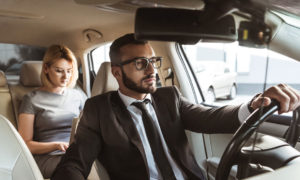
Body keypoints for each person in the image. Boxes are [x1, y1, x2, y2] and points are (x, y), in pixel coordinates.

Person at [52, 34, 300, 180]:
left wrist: (254, 104)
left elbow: (211, 117)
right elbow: (76, 162)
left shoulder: (169, 97)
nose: (152, 70)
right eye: (140, 63)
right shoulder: (99, 110)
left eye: (153, 61)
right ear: (116, 72)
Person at [18, 44, 87, 179]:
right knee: (75, 169)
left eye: (69, 70)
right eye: (59, 70)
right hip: (49, 157)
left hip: (77, 153)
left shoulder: (78, 95)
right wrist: (56, 145)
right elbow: (25, 144)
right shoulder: (31, 99)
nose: (65, 76)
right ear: (46, 69)